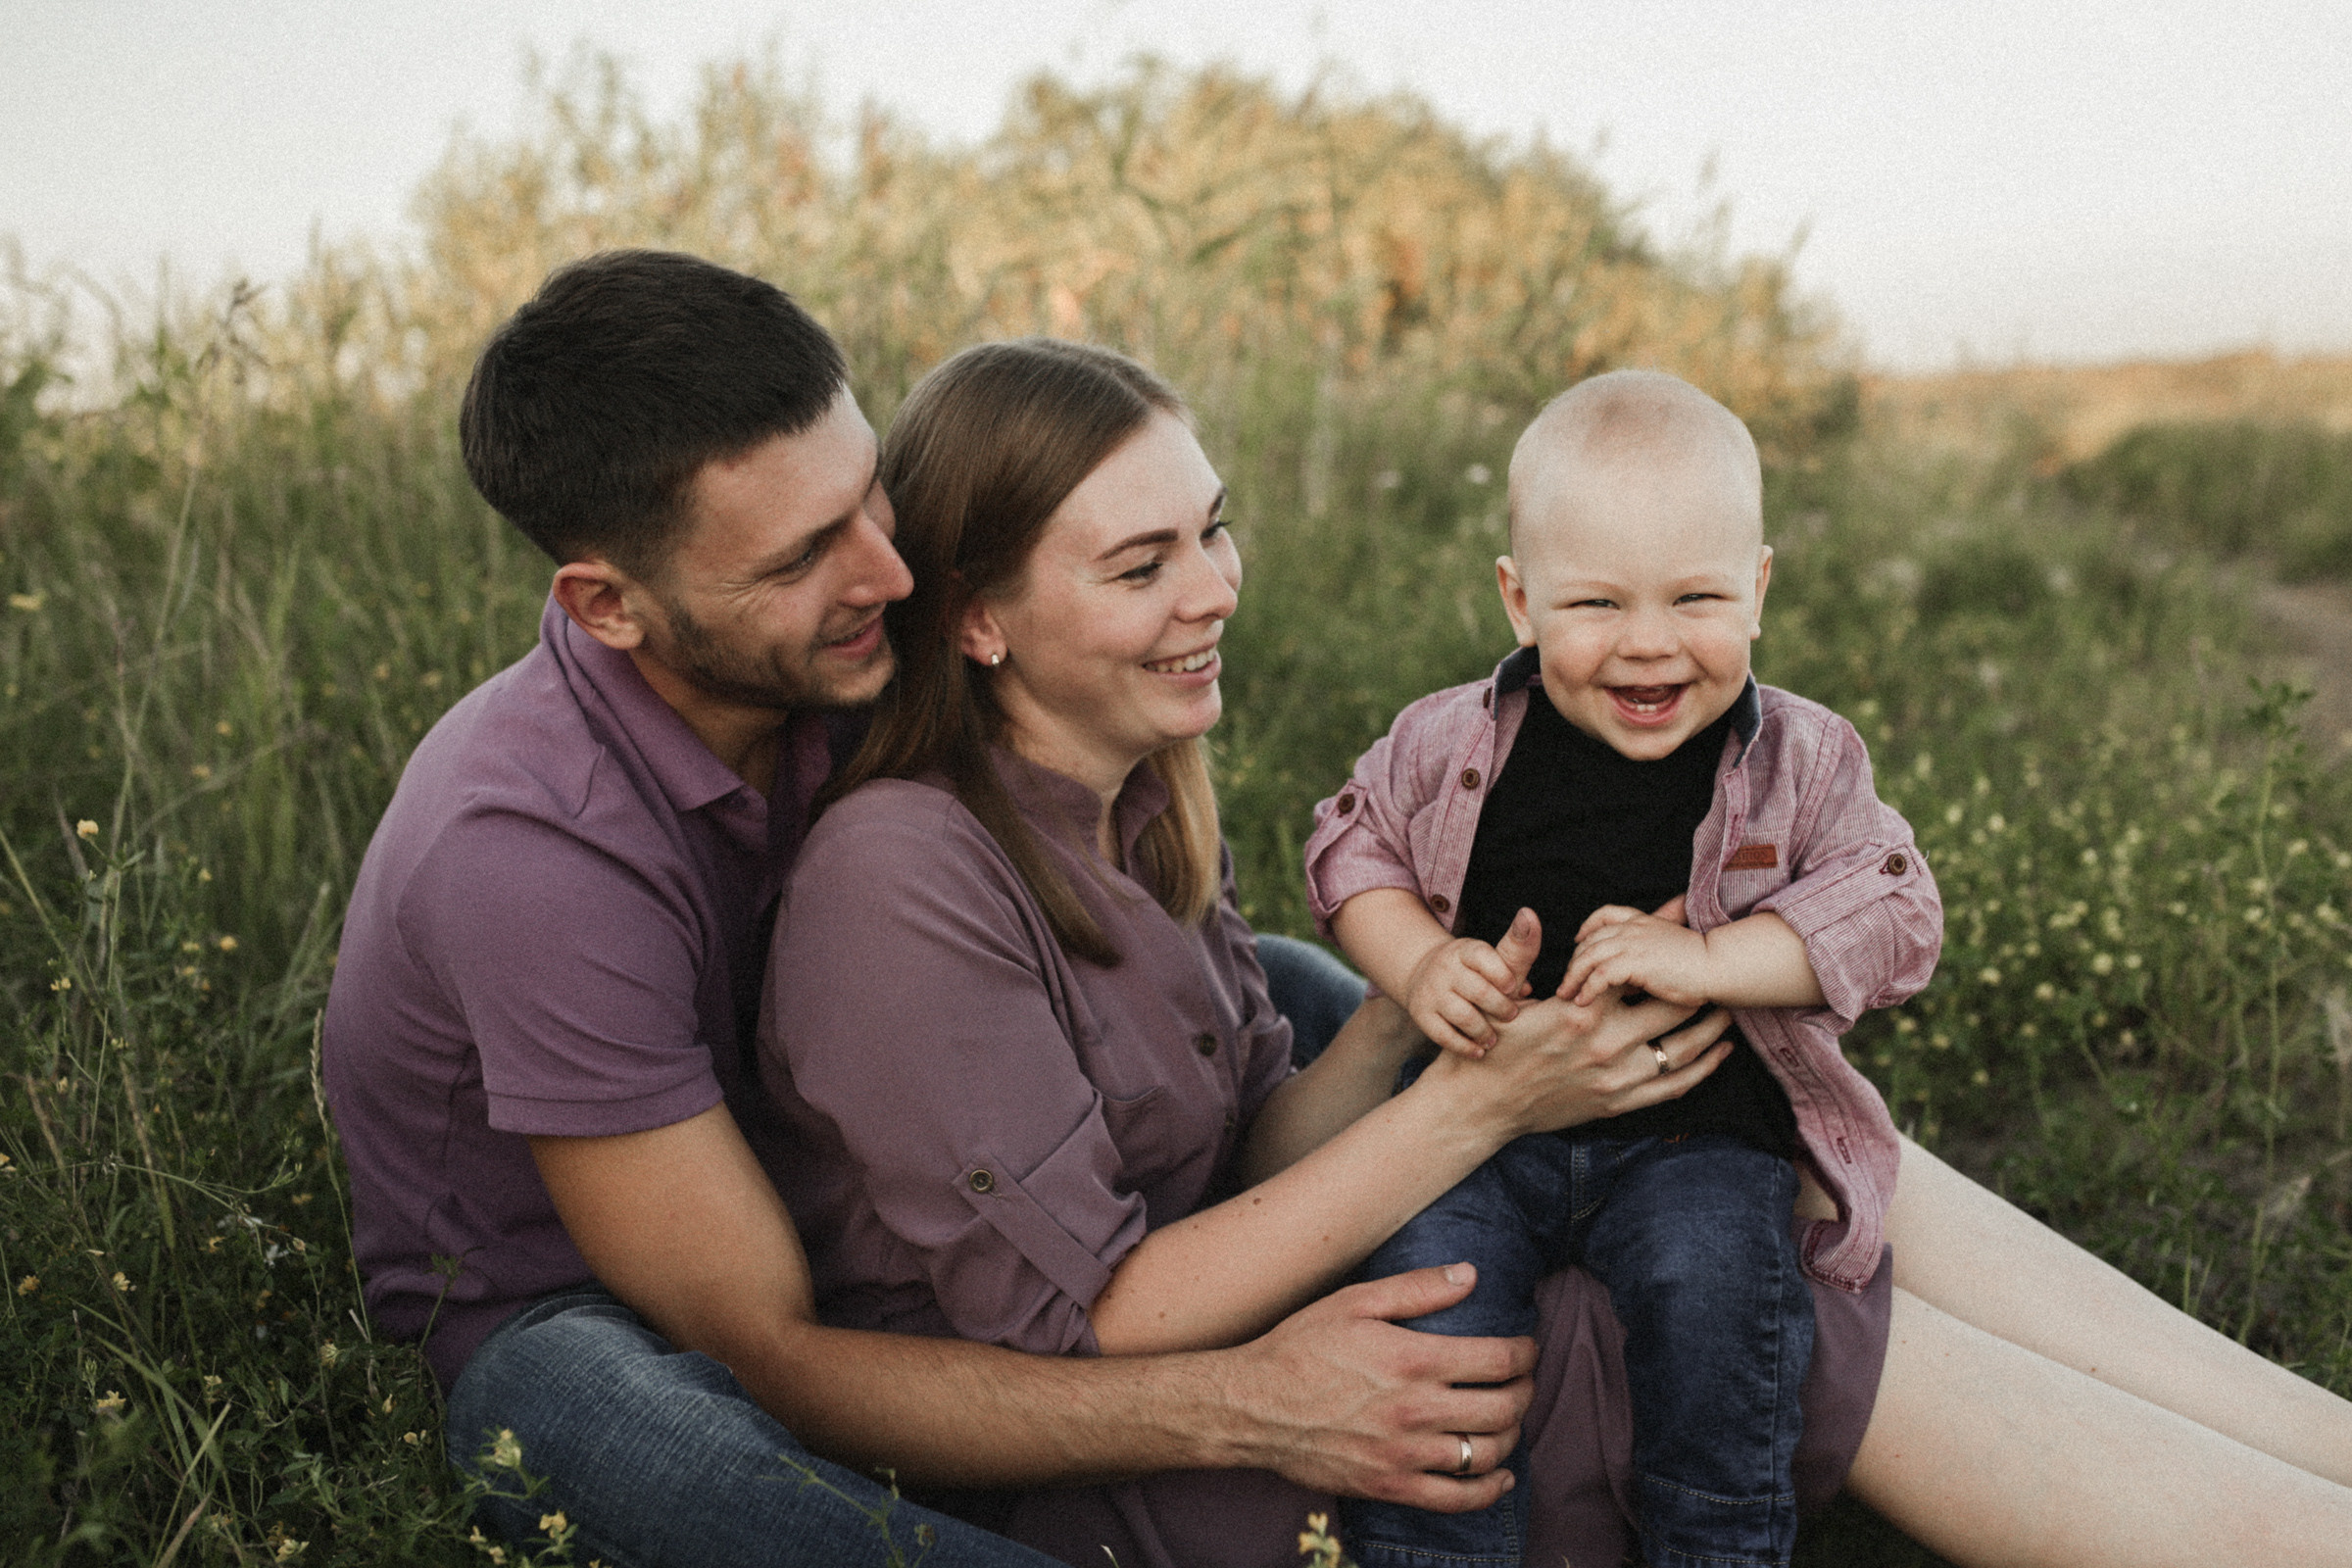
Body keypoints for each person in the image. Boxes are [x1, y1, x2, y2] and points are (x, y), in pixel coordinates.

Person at [760, 333, 2352, 1568]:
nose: (1216, 591)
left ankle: (2323, 1446)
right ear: (978, 618)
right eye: (1142, 565)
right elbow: (1093, 1330)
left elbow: (1252, 1159)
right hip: (1137, 1462)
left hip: (1287, 1297)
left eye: (1213, 531)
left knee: (1803, 1145)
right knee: (1763, 1300)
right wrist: (1489, 1104)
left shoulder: (1141, 807)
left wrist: (1414, 1011)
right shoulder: (905, 876)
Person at [320, 250, 1678, 1567]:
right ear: (608, 606)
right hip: (597, 1295)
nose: (891, 576)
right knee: (623, 1423)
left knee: (1318, 986)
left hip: (851, 1135)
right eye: (802, 557)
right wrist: (1250, 1402)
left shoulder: (847, 675)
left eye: (870, 499)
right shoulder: (530, 857)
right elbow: (769, 1346)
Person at [1304, 370, 1936, 1568]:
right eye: (1596, 602)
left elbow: (1895, 913)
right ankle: (1435, 1547)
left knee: (1719, 1300)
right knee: (1431, 1309)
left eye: (1696, 597)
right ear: (1520, 599)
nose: (1649, 642)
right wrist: (1421, 960)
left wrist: (1709, 957)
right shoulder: (1451, 740)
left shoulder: (1802, 760)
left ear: (1757, 590)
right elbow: (1352, 845)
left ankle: (1716, 1540)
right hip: (1476, 1134)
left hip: (1695, 1139)